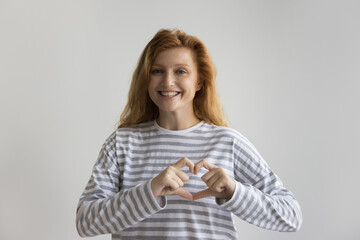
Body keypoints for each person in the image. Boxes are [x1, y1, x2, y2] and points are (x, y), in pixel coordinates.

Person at [76, 29, 302, 239]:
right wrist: (150, 191)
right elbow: (85, 222)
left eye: (180, 71)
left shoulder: (228, 142)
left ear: (199, 81)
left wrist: (234, 191)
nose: (167, 81)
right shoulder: (122, 143)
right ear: (146, 79)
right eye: (157, 71)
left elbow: (290, 215)